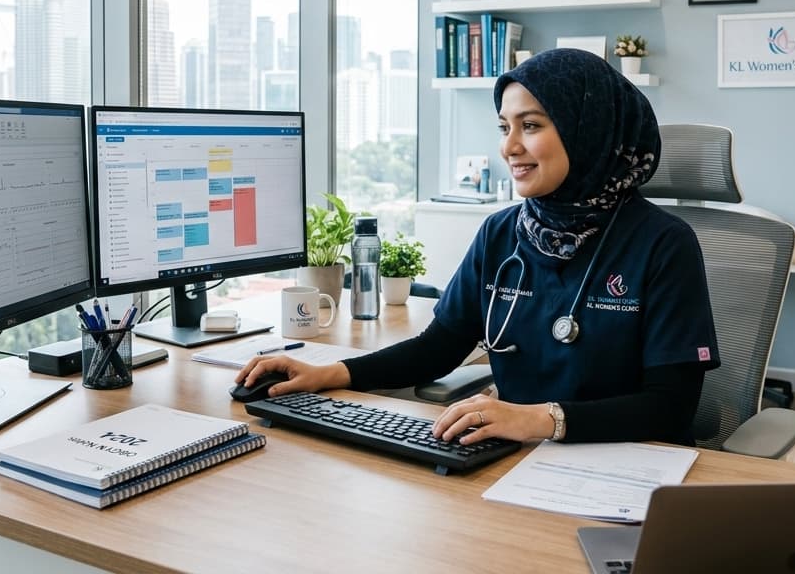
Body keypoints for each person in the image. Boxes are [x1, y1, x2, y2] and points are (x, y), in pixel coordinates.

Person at [236, 49, 721, 447]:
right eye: (503, 127)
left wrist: (539, 420)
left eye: (530, 126)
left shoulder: (663, 245)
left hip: (628, 465)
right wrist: (327, 373)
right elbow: (437, 348)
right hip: (514, 457)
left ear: (586, 131)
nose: (510, 147)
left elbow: (670, 406)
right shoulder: (501, 234)